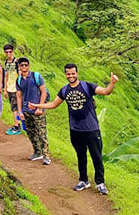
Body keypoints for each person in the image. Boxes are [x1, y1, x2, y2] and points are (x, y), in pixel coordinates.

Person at [29, 64, 119, 195]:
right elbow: (54, 104)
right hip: (75, 130)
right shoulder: (64, 90)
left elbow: (106, 91)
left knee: (96, 157)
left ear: (77, 73)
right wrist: (38, 105)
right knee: (80, 156)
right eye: (68, 74)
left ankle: (100, 183)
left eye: (73, 73)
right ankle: (83, 180)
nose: (71, 76)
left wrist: (112, 83)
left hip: (91, 129)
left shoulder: (87, 86)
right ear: (65, 74)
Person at [15, 57, 50, 165]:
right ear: (19, 67)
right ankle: (37, 152)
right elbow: (19, 96)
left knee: (42, 134)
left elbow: (43, 92)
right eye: (22, 65)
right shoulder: (19, 80)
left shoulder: (36, 76)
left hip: (37, 111)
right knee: (31, 133)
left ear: (29, 65)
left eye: (26, 65)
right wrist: (20, 111)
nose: (24, 67)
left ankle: (46, 156)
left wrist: (40, 107)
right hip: (26, 111)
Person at [3, 44, 22, 135]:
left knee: (15, 108)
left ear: (13, 51)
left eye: (10, 51)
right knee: (14, 108)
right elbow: (6, 76)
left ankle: (17, 126)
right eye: (7, 52)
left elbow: (20, 75)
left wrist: (20, 89)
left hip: (16, 88)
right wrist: (5, 89)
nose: (9, 53)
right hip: (10, 87)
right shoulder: (6, 62)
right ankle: (17, 125)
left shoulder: (17, 62)